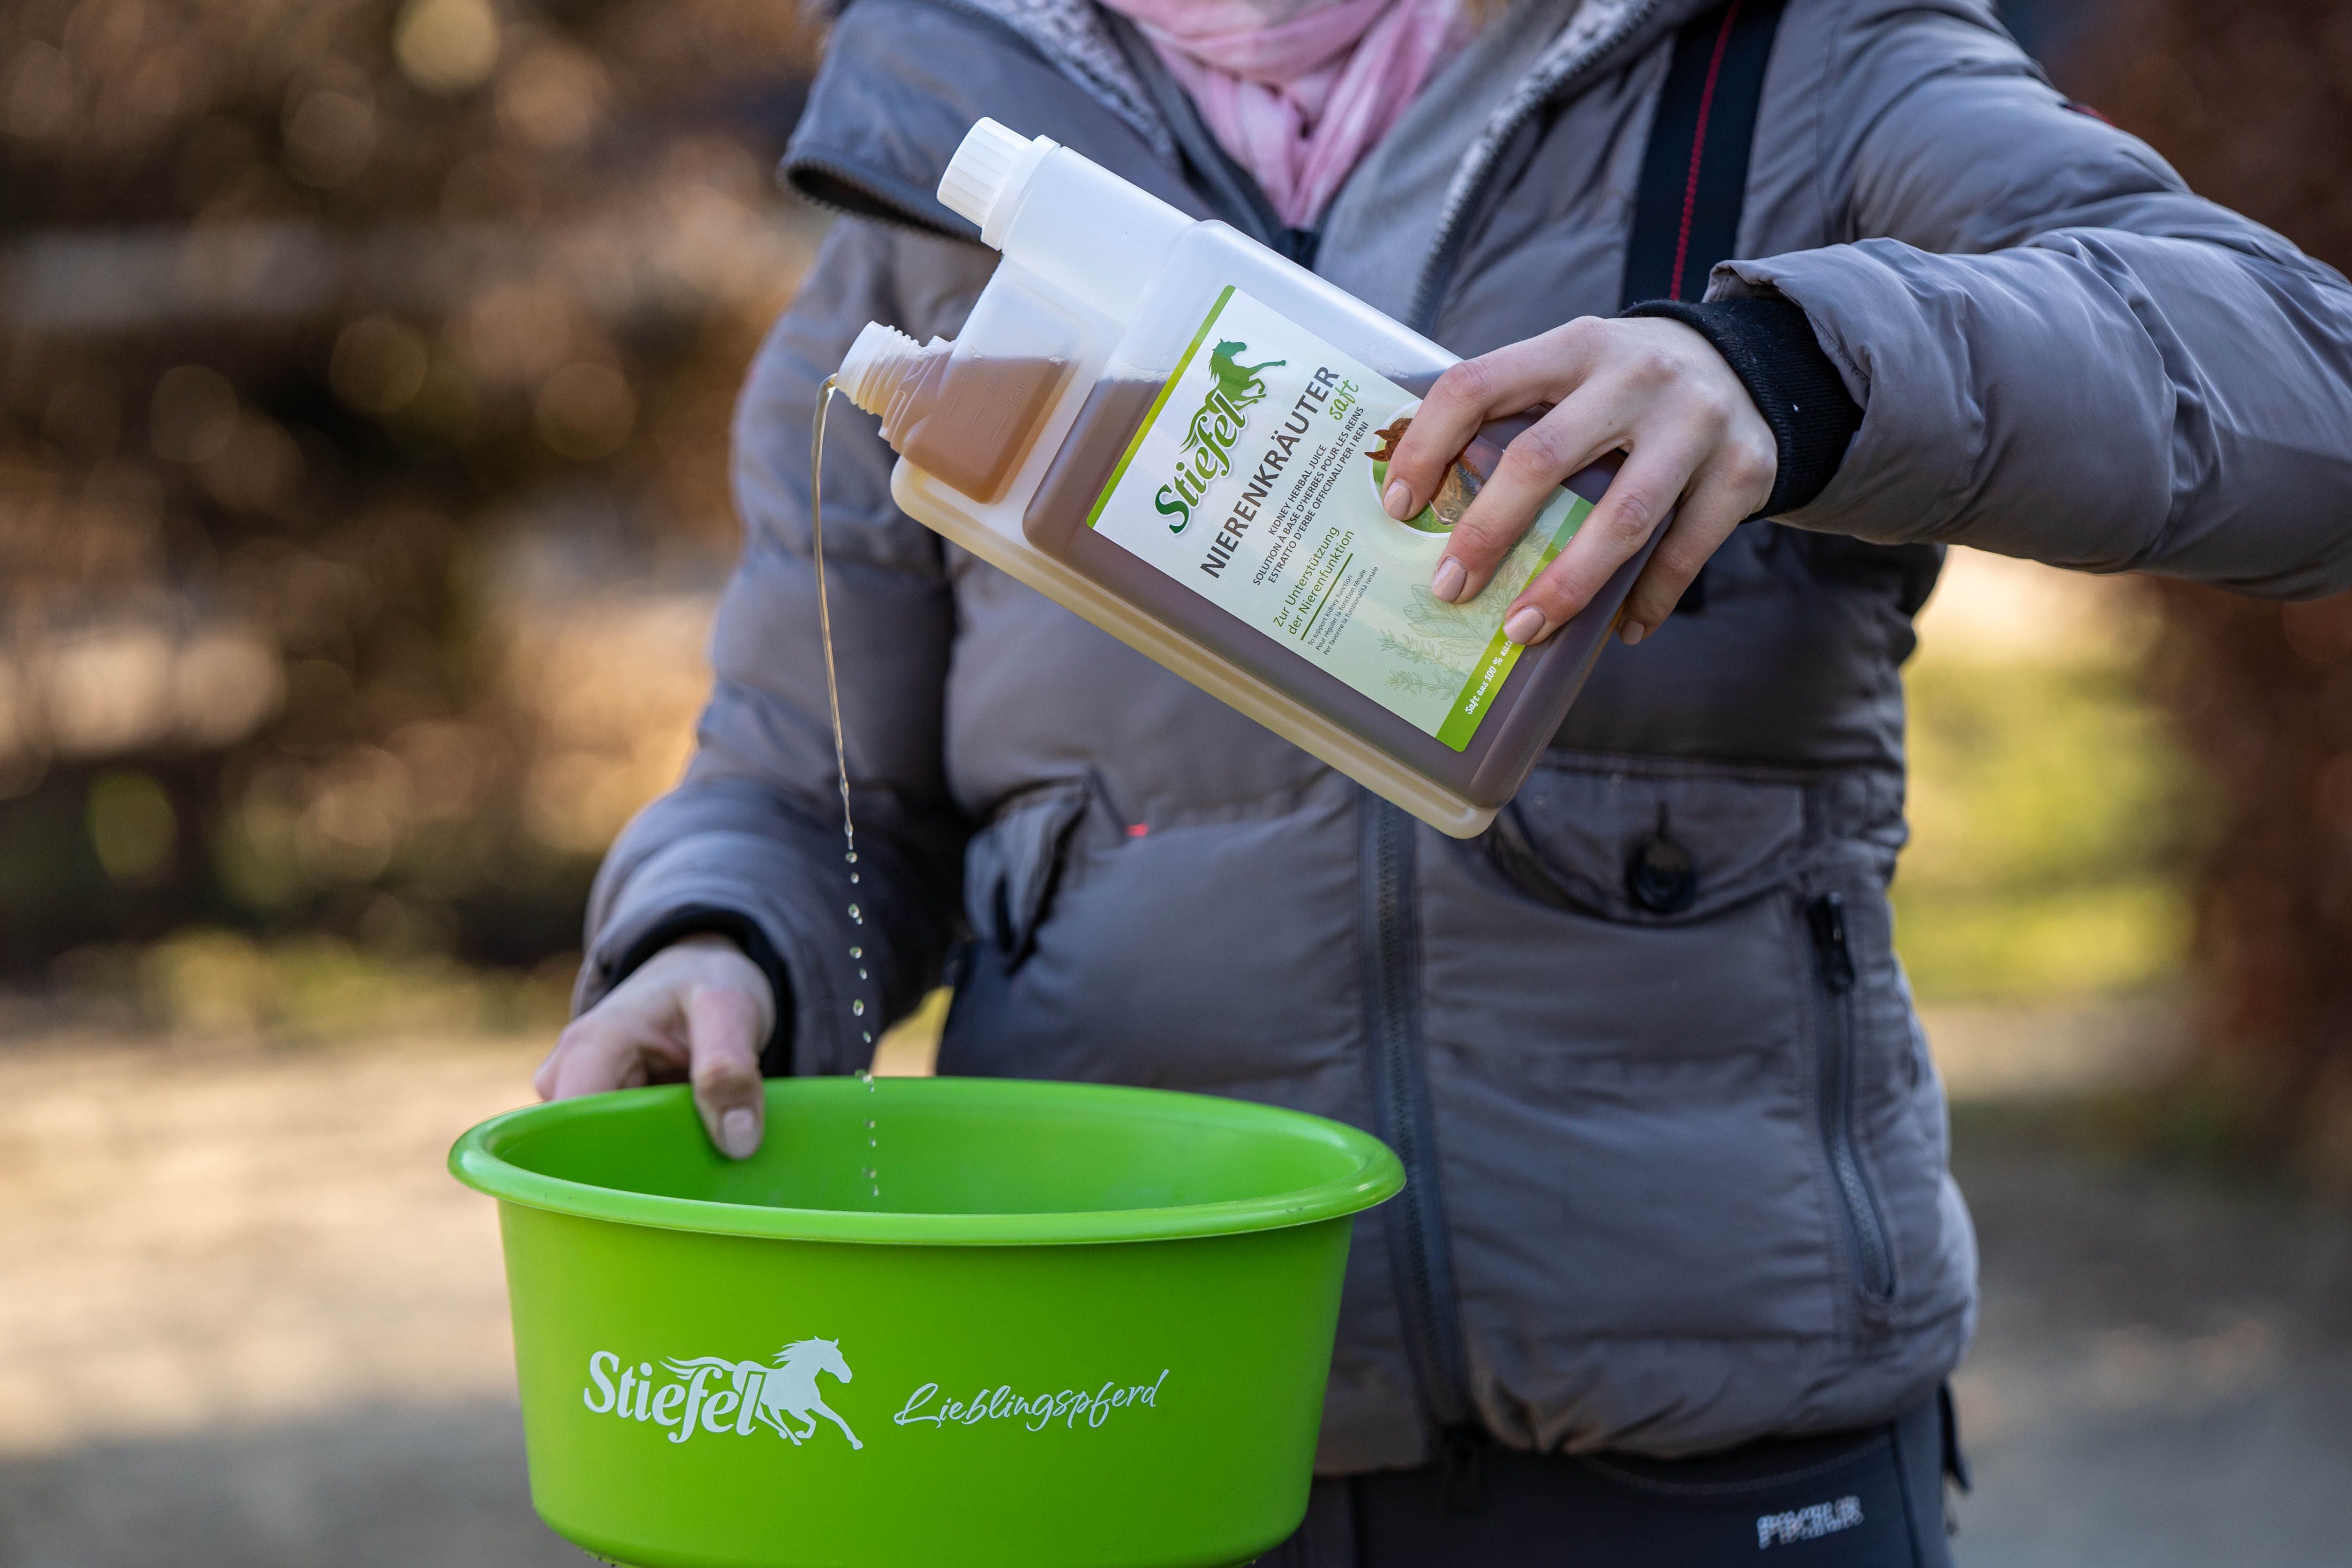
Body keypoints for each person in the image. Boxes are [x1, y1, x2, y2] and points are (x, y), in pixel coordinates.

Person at [534, 0, 2352, 1560]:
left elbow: (2301, 394)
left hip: (1705, 1425)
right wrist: (721, 945)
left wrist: (1794, 367)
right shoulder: (941, 167)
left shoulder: (1773, 71)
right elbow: (807, 790)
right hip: (1114, 1406)